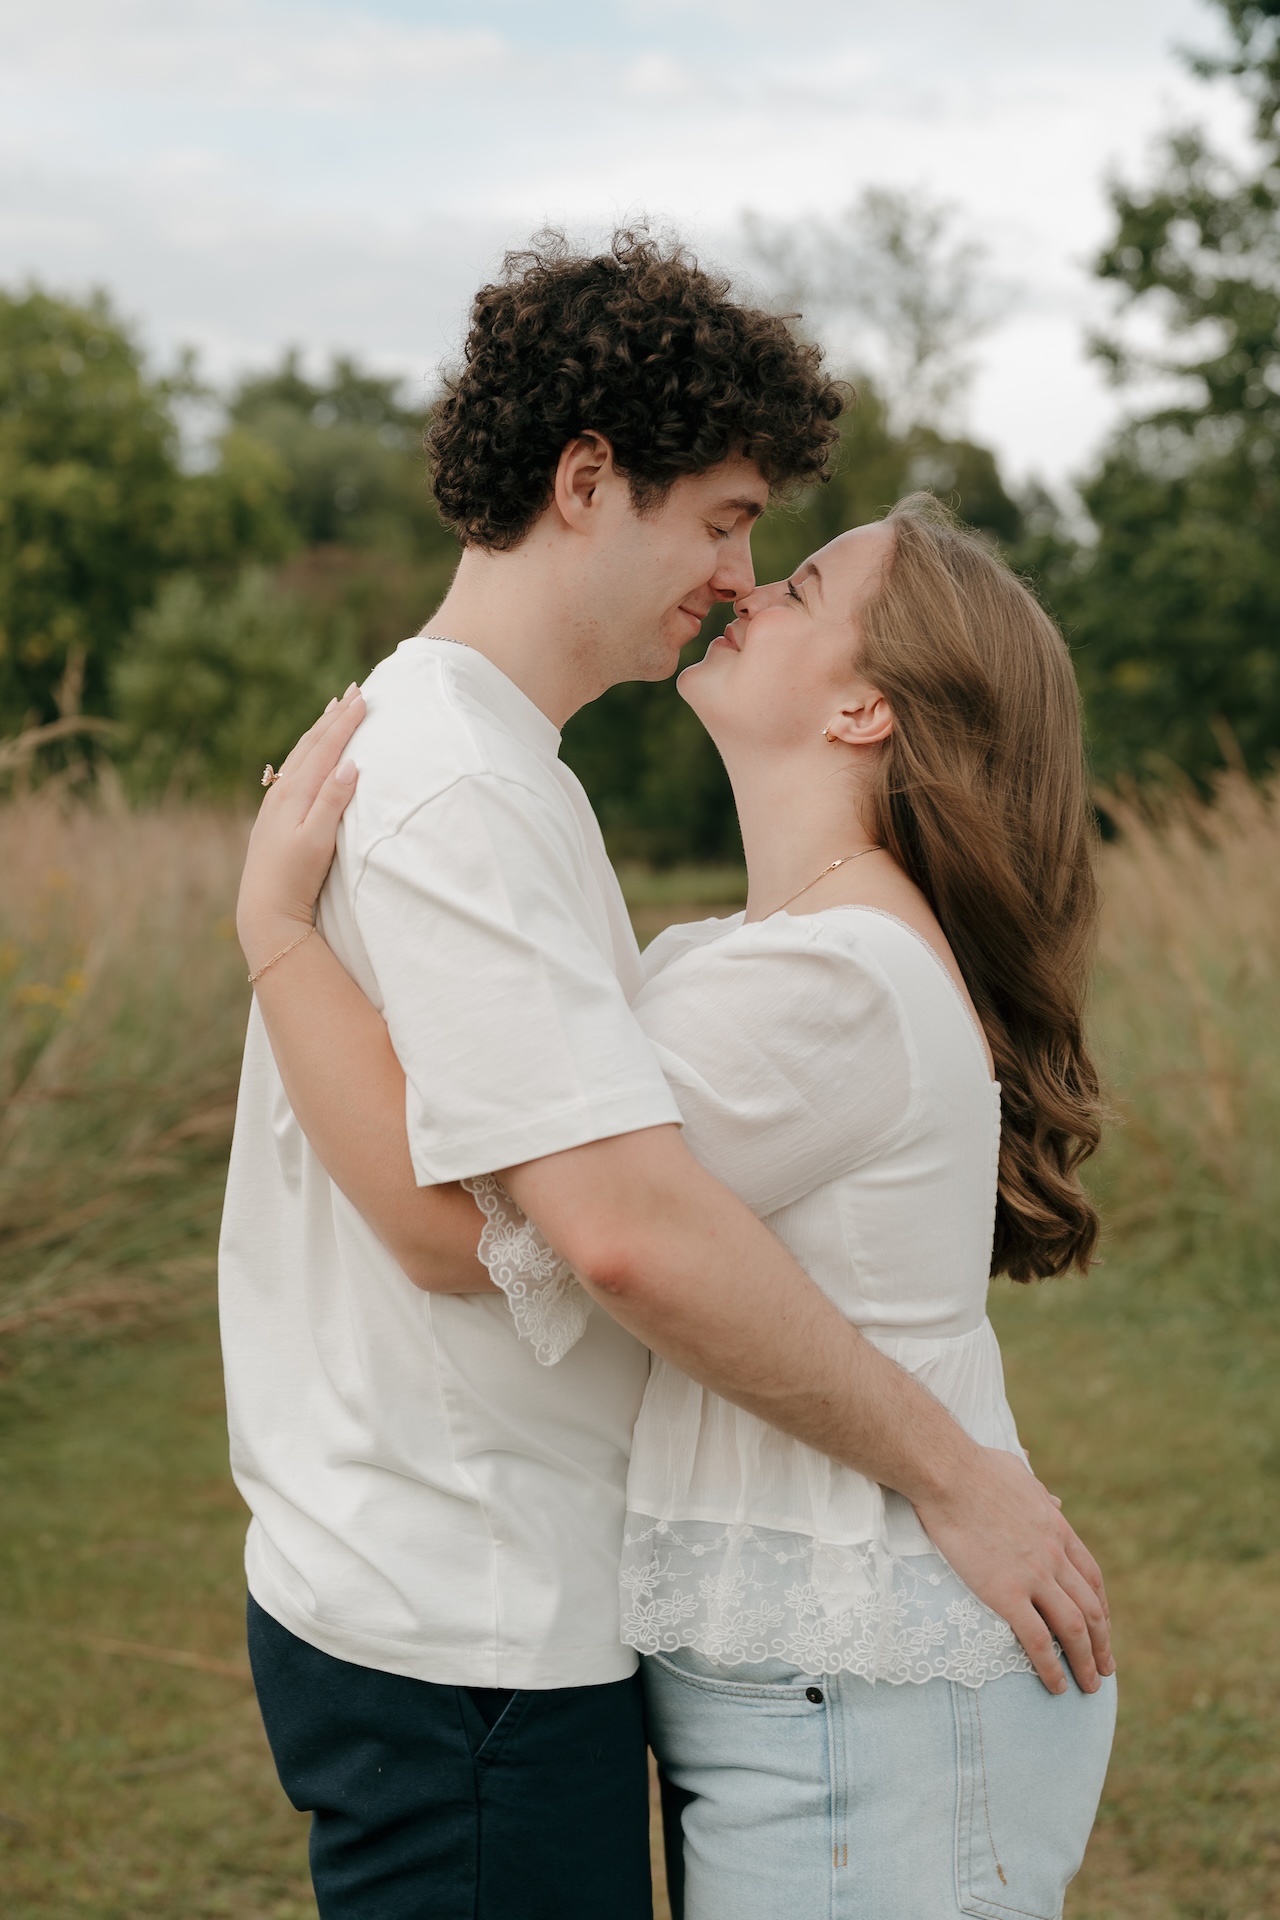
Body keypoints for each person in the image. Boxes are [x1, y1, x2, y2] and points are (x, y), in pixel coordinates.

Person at [223, 232, 1112, 1920]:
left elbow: (574, 1198)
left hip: (523, 1600)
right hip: (460, 1605)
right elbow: (510, 1223)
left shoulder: (520, 781)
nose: (737, 575)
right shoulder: (463, 786)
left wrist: (275, 933)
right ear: (585, 480)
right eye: (724, 523)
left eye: (770, 552)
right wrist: (270, 934)